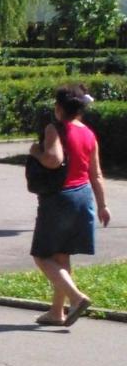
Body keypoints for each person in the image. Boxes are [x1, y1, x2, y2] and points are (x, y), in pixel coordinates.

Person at [29, 85, 111, 327]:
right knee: (61, 257)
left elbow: (53, 160)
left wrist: (36, 152)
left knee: (42, 256)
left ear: (58, 108)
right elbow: (96, 174)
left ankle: (76, 298)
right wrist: (103, 205)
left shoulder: (55, 128)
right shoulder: (88, 133)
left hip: (60, 198)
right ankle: (57, 312)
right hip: (83, 196)